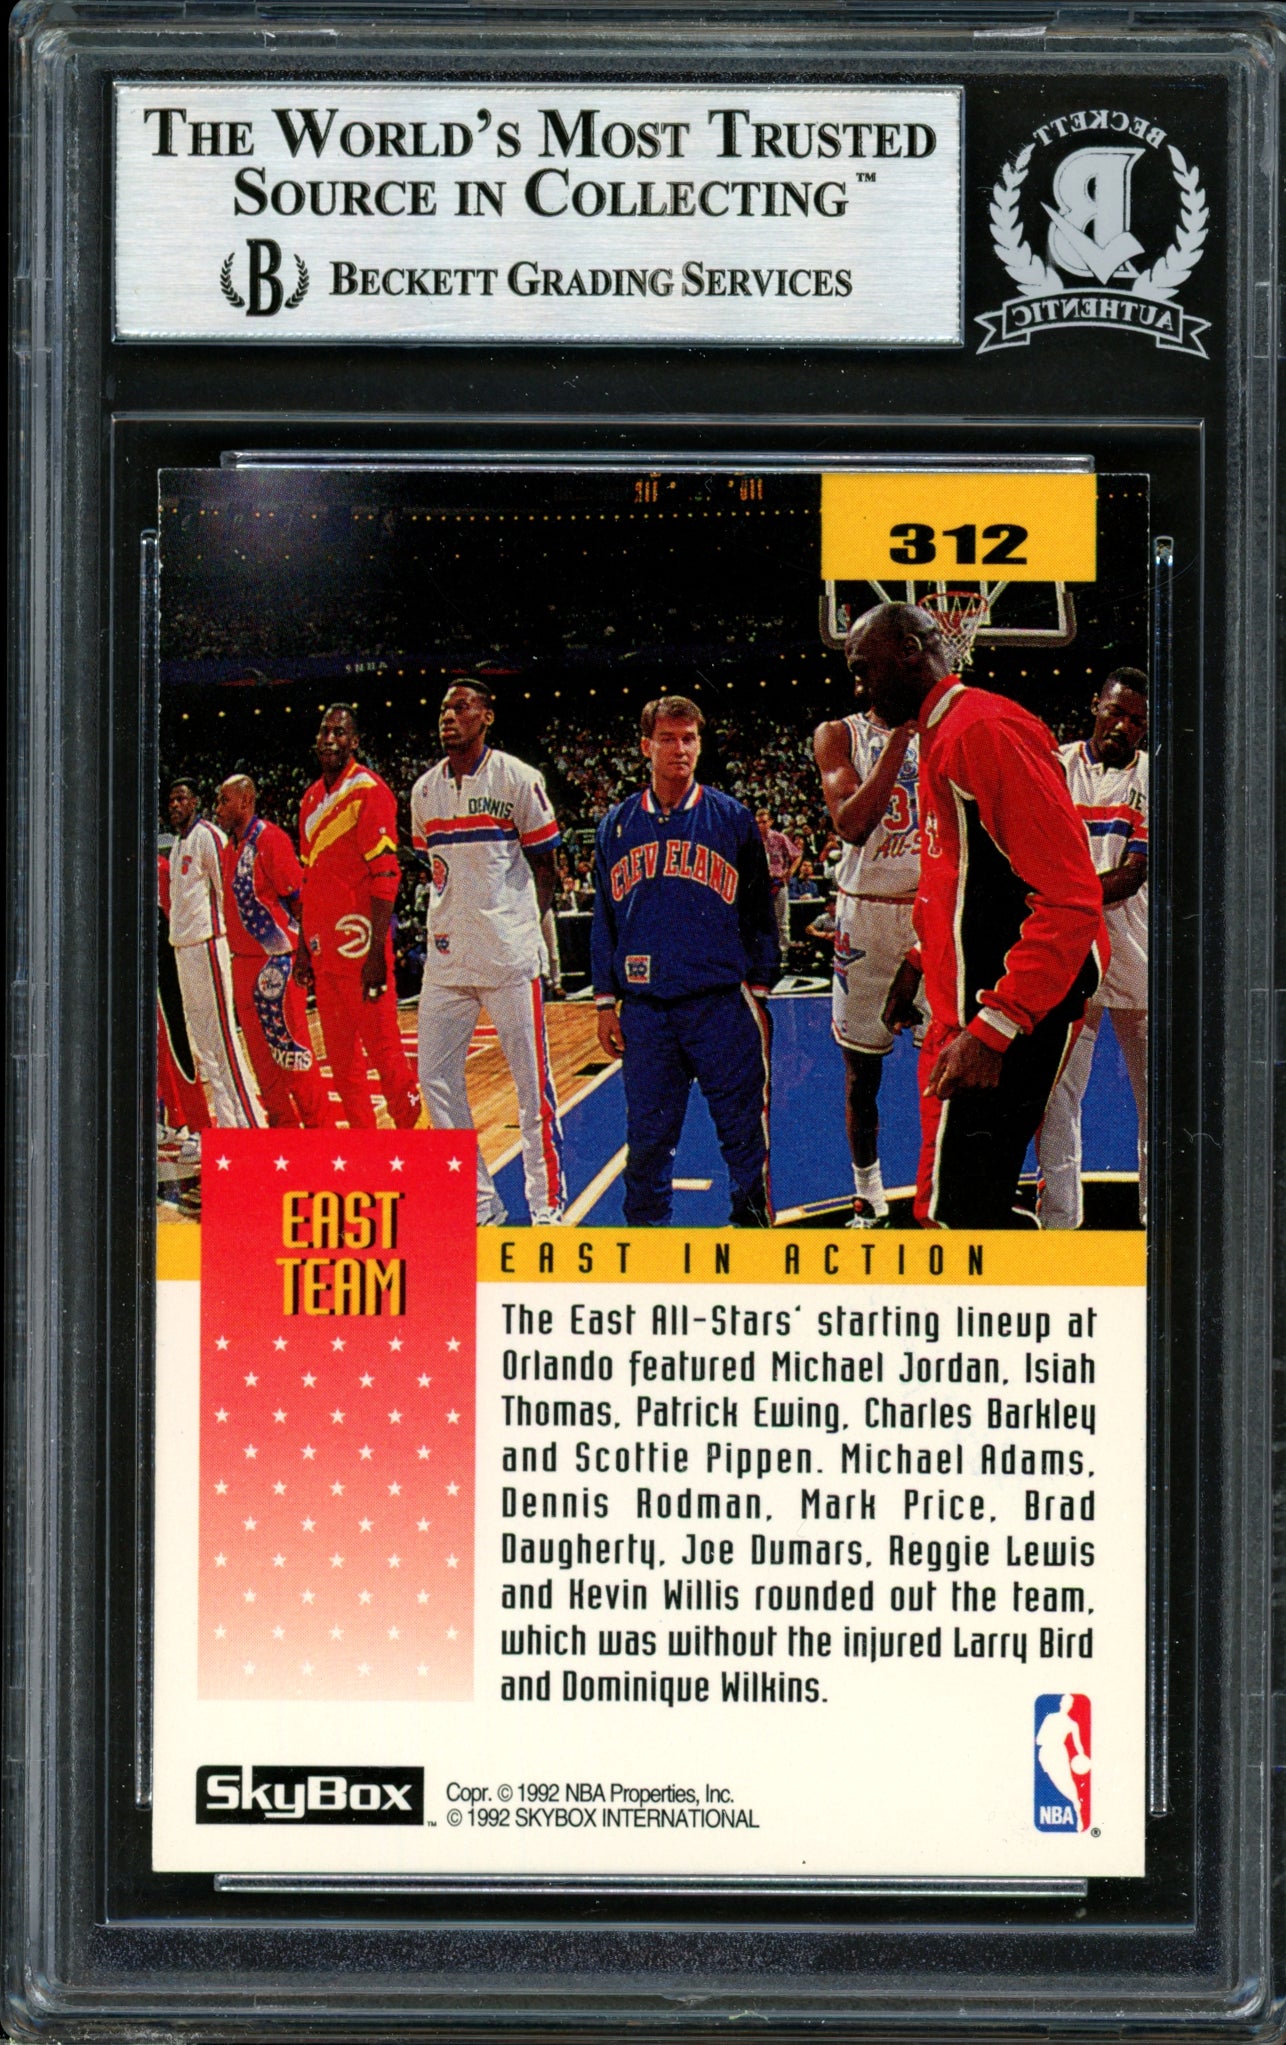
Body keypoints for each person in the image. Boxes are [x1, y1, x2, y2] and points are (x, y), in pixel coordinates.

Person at [854, 604, 1108, 1229]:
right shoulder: (942, 730)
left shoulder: (980, 731)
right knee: (954, 1202)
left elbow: (1071, 896)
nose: (859, 689)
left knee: (957, 1217)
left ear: (910, 650)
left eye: (864, 669)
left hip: (1007, 1010)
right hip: (974, 1005)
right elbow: (965, 877)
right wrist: (919, 961)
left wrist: (996, 1027)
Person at [592, 697, 778, 1226]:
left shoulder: (732, 818)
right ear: (645, 747)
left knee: (744, 1133)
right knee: (648, 1140)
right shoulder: (616, 825)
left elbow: (760, 913)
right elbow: (604, 920)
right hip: (647, 1010)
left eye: (690, 738)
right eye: (669, 739)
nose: (681, 749)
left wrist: (759, 990)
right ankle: (648, 1242)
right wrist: (605, 1003)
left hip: (720, 1005)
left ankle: (752, 1230)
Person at [411, 682, 566, 1225]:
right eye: (443, 708)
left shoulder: (518, 778)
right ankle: (481, 1204)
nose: (448, 716)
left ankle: (545, 1206)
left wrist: (523, 928)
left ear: (487, 716)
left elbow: (546, 865)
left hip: (508, 957)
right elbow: (434, 868)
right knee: (435, 1078)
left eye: (461, 707)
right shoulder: (423, 791)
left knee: (532, 1087)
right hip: (447, 959)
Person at [1037, 672, 1149, 1227]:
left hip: (1136, 953)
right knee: (1057, 1095)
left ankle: (1157, 1222)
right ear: (1095, 707)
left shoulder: (1156, 775)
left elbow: (1132, 874)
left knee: (1157, 1102)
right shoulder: (1054, 765)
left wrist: (1063, 896)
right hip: (1069, 952)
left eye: (1136, 720)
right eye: (1115, 712)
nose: (1123, 726)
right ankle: (1060, 1222)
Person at [813, 688, 921, 1226]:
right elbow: (853, 824)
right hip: (867, 915)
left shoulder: (946, 725)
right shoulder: (839, 734)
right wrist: (902, 736)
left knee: (950, 1066)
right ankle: (868, 1194)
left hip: (932, 907)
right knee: (862, 1072)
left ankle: (943, 1190)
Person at [296, 705, 423, 1131]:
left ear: (354, 741)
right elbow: (309, 880)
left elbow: (386, 875)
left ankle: (416, 1141)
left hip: (360, 948)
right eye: (324, 731)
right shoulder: (309, 799)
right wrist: (303, 949)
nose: (329, 739)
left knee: (386, 1055)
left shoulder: (369, 790)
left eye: (339, 732)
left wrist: (376, 954)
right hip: (323, 955)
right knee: (342, 1063)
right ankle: (364, 1147)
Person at [214, 775, 331, 1129]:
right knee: (263, 1064)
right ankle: (283, 1137)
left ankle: (321, 1135)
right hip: (241, 964)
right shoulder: (228, 848)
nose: (217, 808)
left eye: (224, 800)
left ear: (245, 801)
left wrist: (305, 957)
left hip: (277, 961)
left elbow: (301, 903)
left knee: (293, 1055)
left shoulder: (270, 839)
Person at [165, 779, 262, 1127]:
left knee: (223, 1038)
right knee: (204, 1045)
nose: (175, 805)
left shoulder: (208, 836)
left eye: (181, 799)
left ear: (195, 802)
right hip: (184, 948)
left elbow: (227, 892)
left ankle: (251, 1122)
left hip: (208, 944)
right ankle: (228, 1122)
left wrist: (230, 942)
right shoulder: (177, 845)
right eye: (171, 800)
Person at [756, 808, 802, 960]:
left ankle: (784, 953)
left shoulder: (779, 838)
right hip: (760, 884)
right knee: (761, 920)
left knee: (782, 920)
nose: (761, 825)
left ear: (770, 822)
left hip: (778, 881)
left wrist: (790, 872)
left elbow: (797, 855)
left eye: (764, 822)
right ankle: (764, 953)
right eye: (758, 823)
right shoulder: (753, 839)